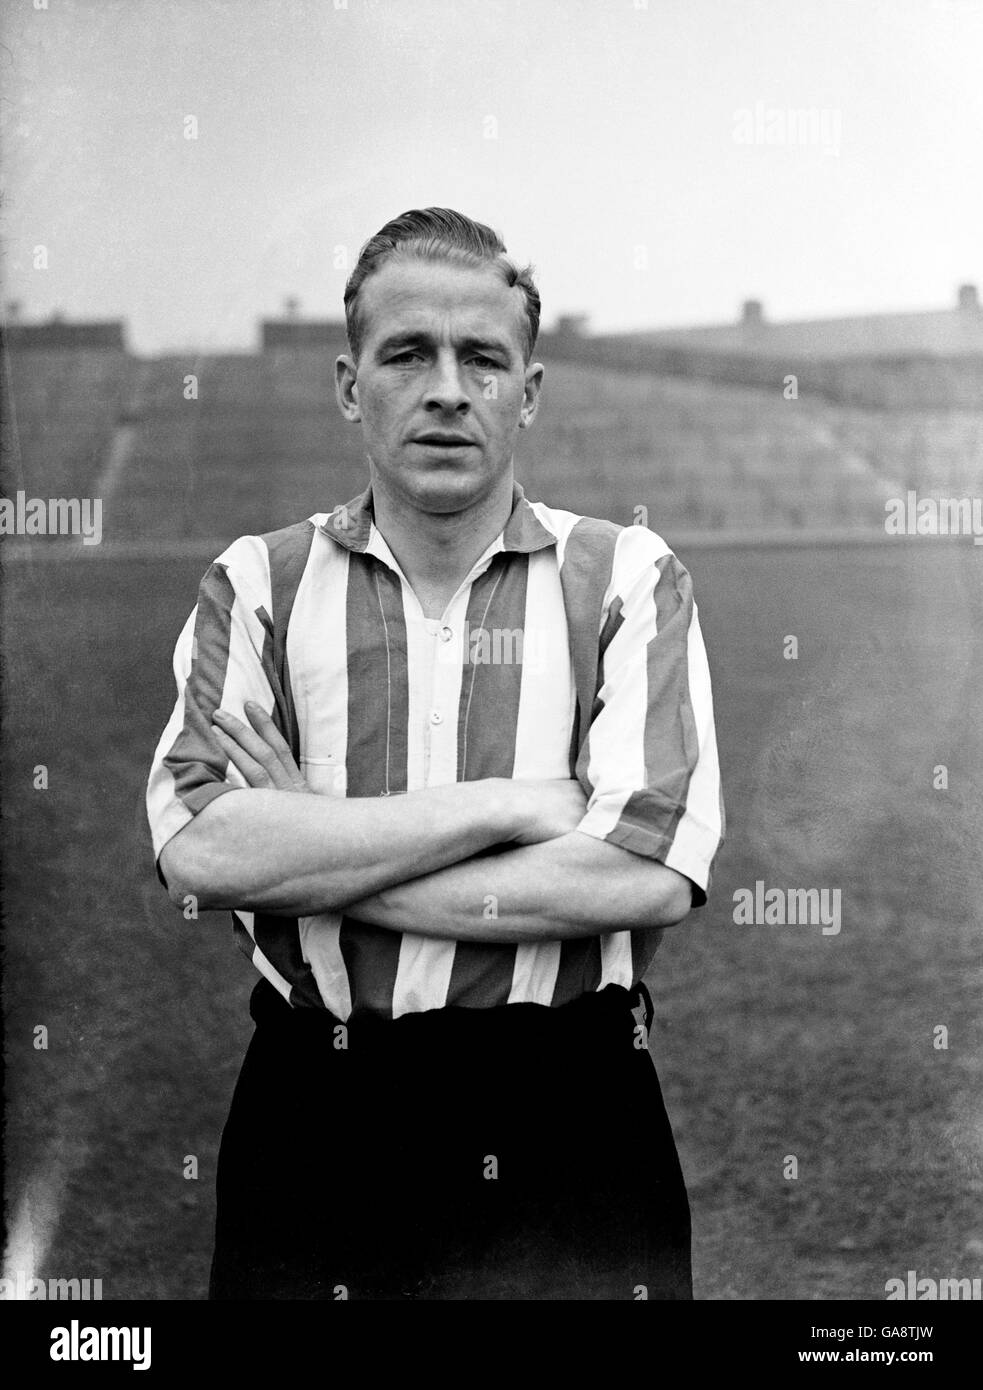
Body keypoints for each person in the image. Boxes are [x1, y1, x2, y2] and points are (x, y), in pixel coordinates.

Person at [146, 207, 724, 1301]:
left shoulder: (625, 578)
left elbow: (645, 872)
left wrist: (318, 851)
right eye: (407, 353)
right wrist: (511, 804)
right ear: (348, 385)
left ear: (529, 391)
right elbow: (201, 850)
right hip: (315, 1103)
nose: (447, 388)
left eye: (482, 358)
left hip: (569, 1105)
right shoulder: (257, 585)